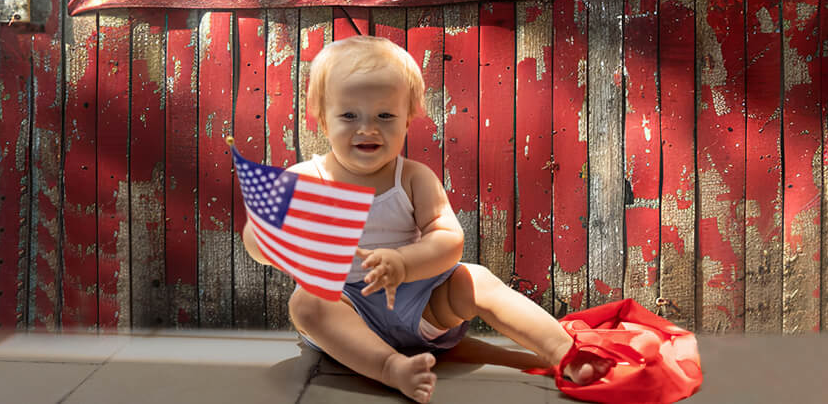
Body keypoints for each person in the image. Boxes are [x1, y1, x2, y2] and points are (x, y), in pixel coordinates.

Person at [243, 35, 608, 403]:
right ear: (322, 121)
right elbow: (257, 243)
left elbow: (449, 239)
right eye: (349, 115)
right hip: (345, 309)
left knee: (475, 278)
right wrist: (269, 236)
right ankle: (390, 367)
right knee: (306, 303)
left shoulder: (413, 178)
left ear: (408, 121)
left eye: (385, 115)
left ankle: (564, 351)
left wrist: (404, 262)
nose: (367, 128)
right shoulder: (303, 180)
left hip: (418, 302)